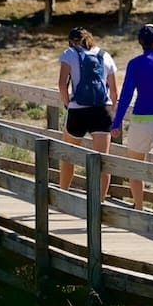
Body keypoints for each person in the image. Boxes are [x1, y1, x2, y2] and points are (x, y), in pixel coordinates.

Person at [109, 24, 153, 213]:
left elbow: (126, 95)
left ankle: (139, 208)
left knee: (135, 167)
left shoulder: (135, 64)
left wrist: (116, 122)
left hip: (141, 120)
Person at [57, 28, 120, 200]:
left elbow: (62, 84)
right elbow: (114, 91)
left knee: (67, 154)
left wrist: (67, 103)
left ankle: (63, 196)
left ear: (71, 41)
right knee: (102, 161)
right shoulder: (105, 55)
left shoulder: (69, 53)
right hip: (102, 110)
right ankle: (98, 204)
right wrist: (113, 113)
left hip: (78, 110)